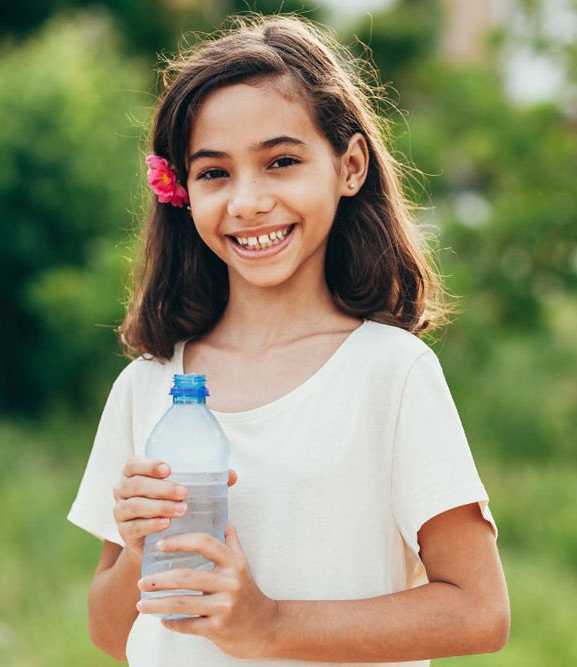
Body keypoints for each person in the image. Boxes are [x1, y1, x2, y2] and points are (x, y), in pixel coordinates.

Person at [68, 14, 510, 666]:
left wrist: (269, 624)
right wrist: (142, 548)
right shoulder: (147, 386)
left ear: (349, 165)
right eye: (215, 173)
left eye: (280, 161)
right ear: (182, 192)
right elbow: (110, 632)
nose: (247, 201)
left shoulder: (391, 374)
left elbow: (479, 611)